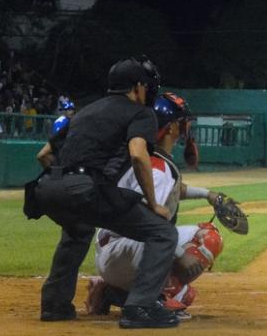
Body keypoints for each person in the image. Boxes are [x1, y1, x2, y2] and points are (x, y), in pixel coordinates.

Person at [32, 56, 182, 329]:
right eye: (146, 86)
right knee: (162, 233)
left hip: (47, 188)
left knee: (77, 230)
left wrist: (64, 185)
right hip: (85, 187)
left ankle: (55, 306)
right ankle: (140, 308)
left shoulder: (86, 110)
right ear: (137, 87)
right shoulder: (141, 113)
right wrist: (153, 203)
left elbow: (43, 154)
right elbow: (138, 156)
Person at [85, 92, 225, 320]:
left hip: (114, 247)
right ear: (170, 128)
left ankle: (110, 291)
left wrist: (207, 194)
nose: (185, 128)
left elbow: (171, 190)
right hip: (123, 251)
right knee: (184, 293)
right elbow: (144, 216)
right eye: (181, 123)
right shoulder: (158, 168)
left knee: (204, 235)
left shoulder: (147, 157)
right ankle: (156, 299)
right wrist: (179, 254)